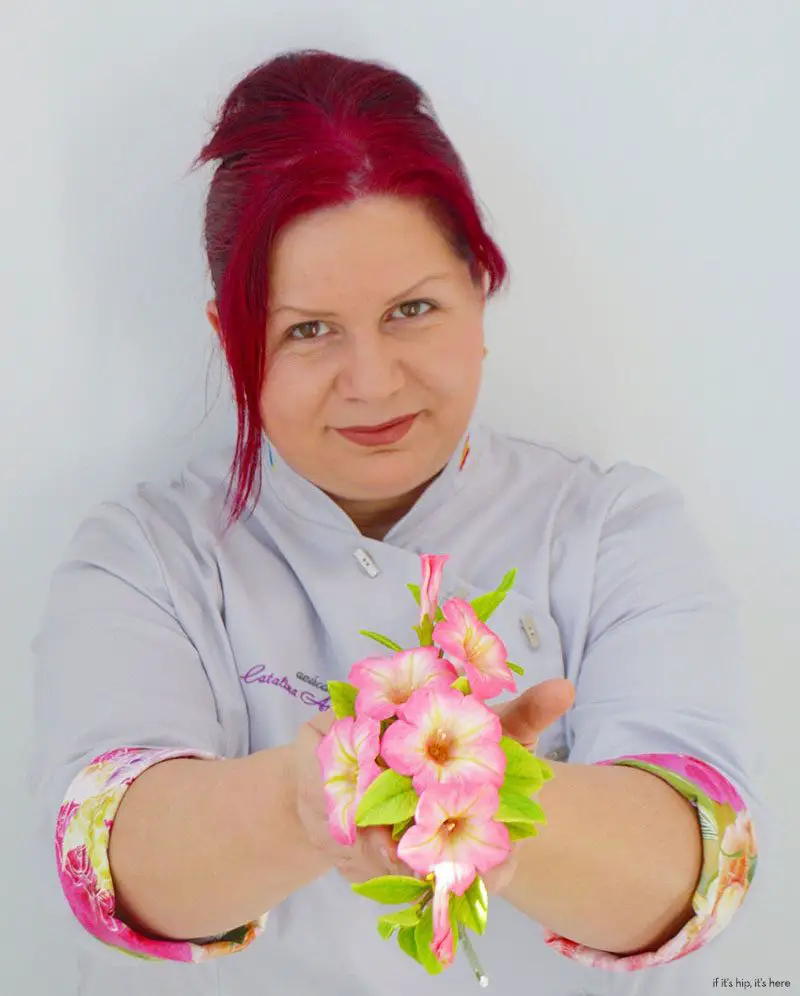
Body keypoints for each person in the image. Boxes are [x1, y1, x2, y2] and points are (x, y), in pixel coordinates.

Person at [32, 48, 759, 996]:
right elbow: (106, 856)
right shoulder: (143, 557)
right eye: (308, 329)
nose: (371, 383)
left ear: (479, 295)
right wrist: (307, 802)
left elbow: (703, 868)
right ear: (232, 340)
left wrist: (490, 796)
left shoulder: (616, 529)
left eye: (412, 309)